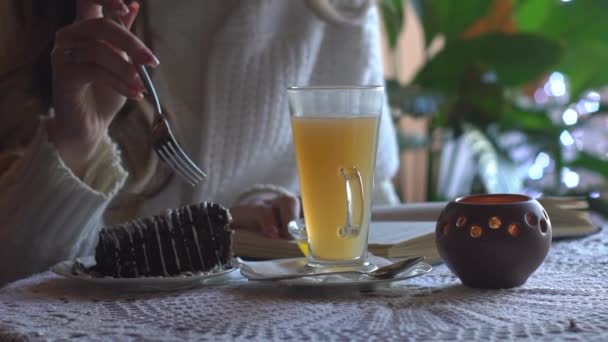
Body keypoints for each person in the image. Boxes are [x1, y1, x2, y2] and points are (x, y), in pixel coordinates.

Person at [0, 0, 399, 284]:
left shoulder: (334, 9)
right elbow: (18, 287)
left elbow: (369, 224)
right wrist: (78, 139)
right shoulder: (41, 16)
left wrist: (277, 223)